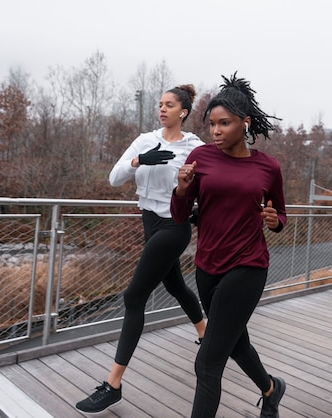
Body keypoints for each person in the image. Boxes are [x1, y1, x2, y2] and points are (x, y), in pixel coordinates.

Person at [76, 84, 207, 414]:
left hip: (174, 227)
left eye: (169, 105)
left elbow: (211, 184)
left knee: (133, 297)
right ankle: (206, 334)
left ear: (184, 112)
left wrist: (199, 206)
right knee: (175, 284)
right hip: (149, 223)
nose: (162, 109)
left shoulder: (195, 147)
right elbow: (114, 179)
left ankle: (113, 385)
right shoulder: (145, 140)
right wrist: (138, 160)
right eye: (160, 104)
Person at [170, 73, 287, 418]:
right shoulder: (201, 157)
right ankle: (271, 388)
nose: (216, 131)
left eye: (225, 124)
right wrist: (180, 188)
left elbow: (280, 211)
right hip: (207, 266)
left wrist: (274, 220)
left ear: (245, 123)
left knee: (207, 361)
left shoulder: (268, 166)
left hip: (248, 266)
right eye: (213, 125)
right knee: (237, 343)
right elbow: (179, 216)